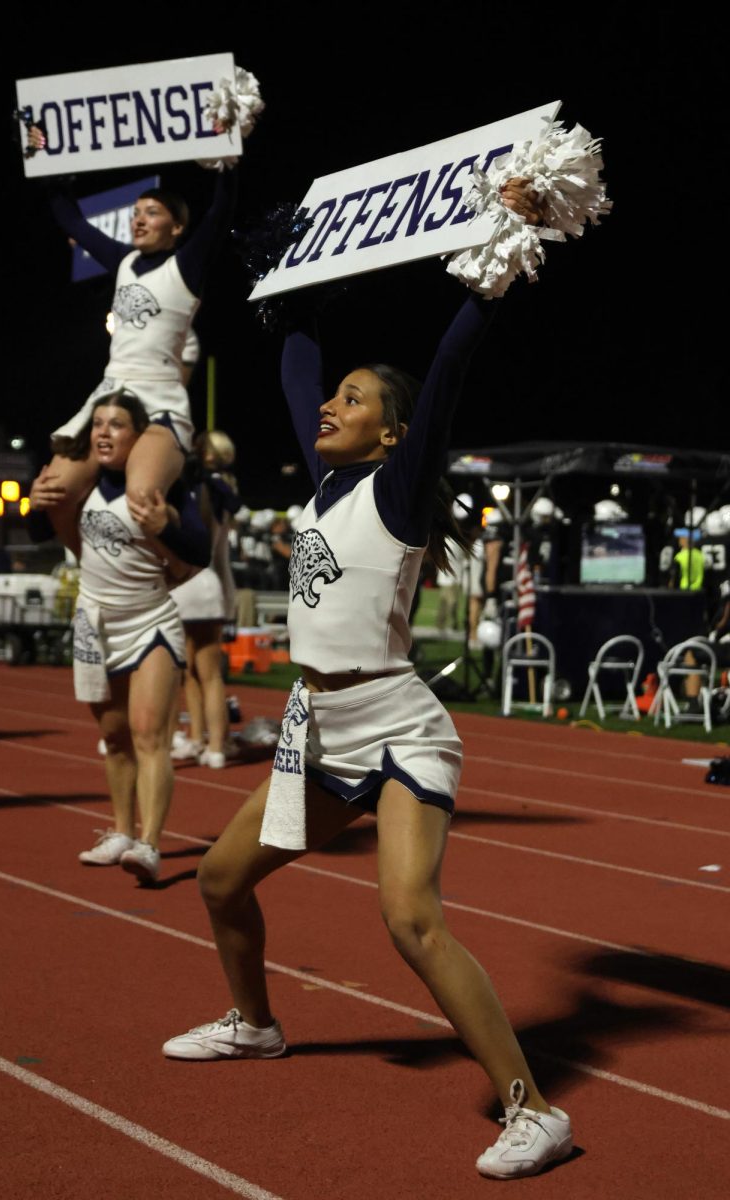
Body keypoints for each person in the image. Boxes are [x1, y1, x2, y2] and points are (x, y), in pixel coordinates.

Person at [162, 180, 573, 1179]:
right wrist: (289, 282)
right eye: (332, 399)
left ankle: (531, 1112)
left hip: (392, 722)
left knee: (407, 916)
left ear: (391, 433)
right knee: (219, 882)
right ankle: (255, 1021)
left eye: (353, 400)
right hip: (314, 723)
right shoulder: (327, 484)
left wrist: (502, 244)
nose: (329, 409)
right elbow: (297, 363)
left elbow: (445, 362)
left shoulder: (393, 488)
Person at [28, 392, 210, 883]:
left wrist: (166, 526)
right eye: (99, 425)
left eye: (118, 425)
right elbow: (33, 533)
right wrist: (33, 502)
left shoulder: (162, 487)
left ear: (142, 436)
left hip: (149, 621)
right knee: (113, 737)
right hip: (95, 622)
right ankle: (122, 833)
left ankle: (150, 843)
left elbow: (200, 548)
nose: (105, 433)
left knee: (151, 735)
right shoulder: (83, 484)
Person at [25, 123, 238, 537]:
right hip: (110, 395)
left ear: (177, 228)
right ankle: (91, 573)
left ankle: (177, 572)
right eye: (136, 213)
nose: (139, 220)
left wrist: (227, 162)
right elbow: (71, 219)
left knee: (141, 501)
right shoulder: (122, 260)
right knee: (53, 493)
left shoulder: (186, 266)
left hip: (160, 400)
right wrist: (50, 160)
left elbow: (219, 216)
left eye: (152, 213)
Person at [170, 430, 242, 768]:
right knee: (205, 673)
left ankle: (205, 740)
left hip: (184, 583)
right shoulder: (218, 489)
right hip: (207, 585)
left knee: (195, 673)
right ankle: (210, 743)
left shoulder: (196, 487)